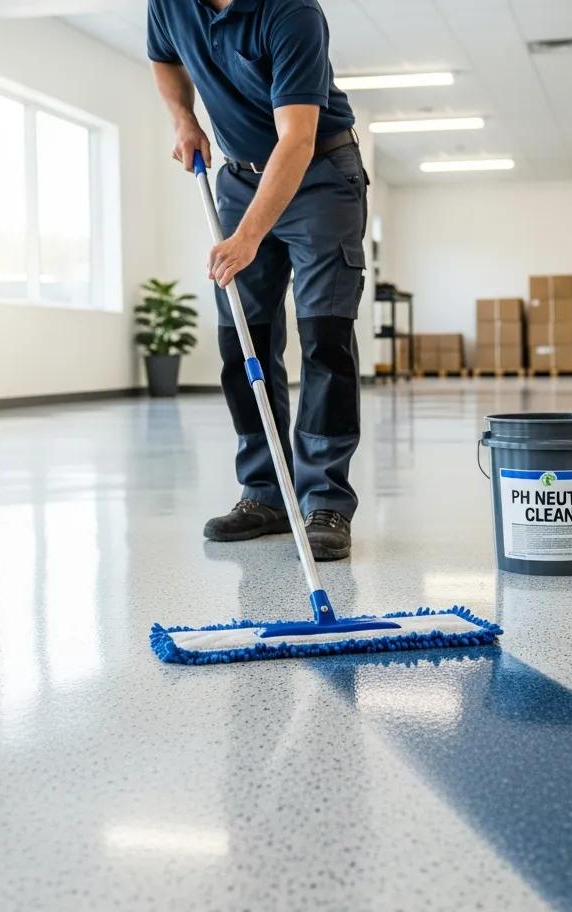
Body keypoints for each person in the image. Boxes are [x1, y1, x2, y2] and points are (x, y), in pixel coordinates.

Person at [148, 0, 367, 562]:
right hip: (240, 177)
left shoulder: (291, 12)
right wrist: (184, 119)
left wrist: (246, 237)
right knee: (242, 340)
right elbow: (165, 57)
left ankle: (326, 502)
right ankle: (265, 493)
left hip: (318, 174)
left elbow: (295, 139)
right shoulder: (168, 3)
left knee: (325, 340)